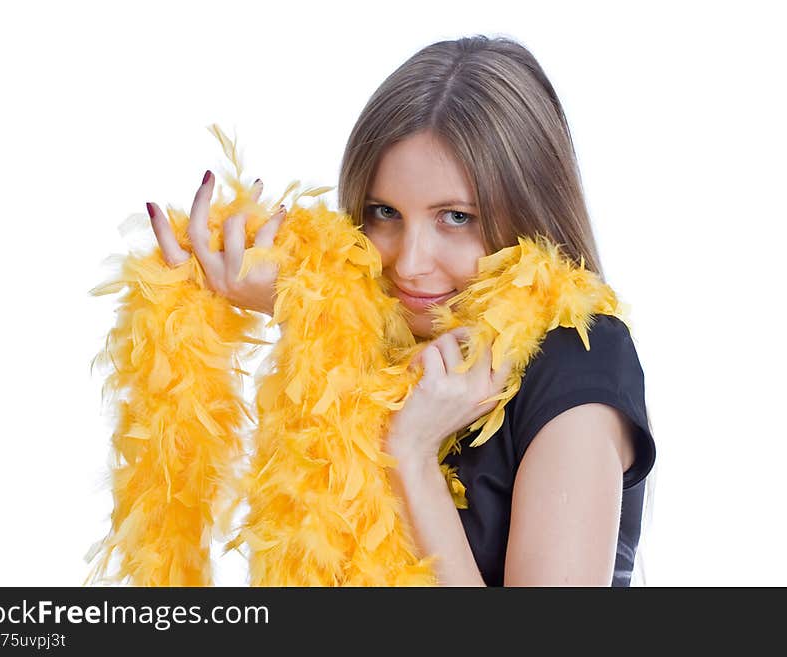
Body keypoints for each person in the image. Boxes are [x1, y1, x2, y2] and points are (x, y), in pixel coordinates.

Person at [146, 35, 656, 587]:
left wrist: (411, 454)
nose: (410, 264)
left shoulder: (576, 360)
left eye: (456, 217)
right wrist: (306, 306)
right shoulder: (373, 341)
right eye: (384, 212)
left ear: (530, 212)